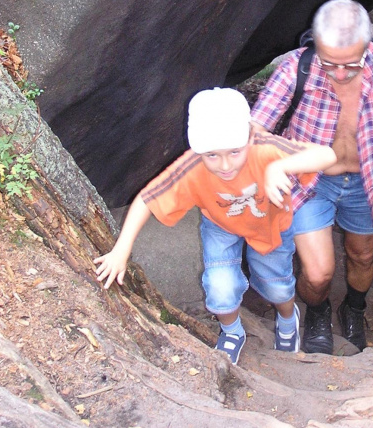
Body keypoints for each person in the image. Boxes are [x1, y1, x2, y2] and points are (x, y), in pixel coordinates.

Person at [94, 88, 337, 366]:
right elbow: (146, 200)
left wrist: (278, 168)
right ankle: (232, 331)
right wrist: (121, 251)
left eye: (234, 152)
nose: (224, 165)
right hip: (222, 225)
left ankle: (286, 318)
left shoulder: (264, 148)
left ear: (248, 136)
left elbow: (327, 155)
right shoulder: (192, 165)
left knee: (277, 287)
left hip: (269, 224)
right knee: (220, 289)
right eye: (212, 155)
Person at [251, 0, 373, 354]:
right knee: (317, 274)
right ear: (315, 44)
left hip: (368, 181)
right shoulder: (294, 69)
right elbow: (255, 129)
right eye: (330, 63)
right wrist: (275, 164)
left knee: (362, 255)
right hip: (310, 183)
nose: (341, 73)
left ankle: (354, 307)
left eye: (351, 63)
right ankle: (317, 311)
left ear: (368, 45)